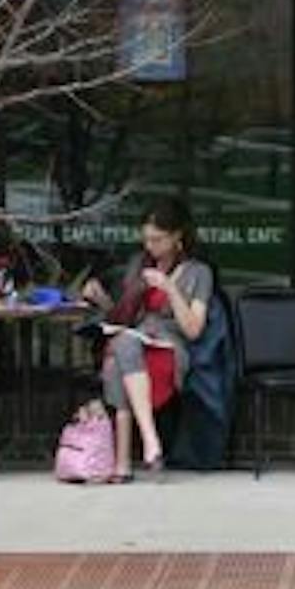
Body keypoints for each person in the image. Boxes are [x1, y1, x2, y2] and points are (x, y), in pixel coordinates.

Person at [81, 198, 213, 482]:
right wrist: (102, 300)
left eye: (157, 240)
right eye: (146, 239)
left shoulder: (199, 273)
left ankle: (126, 459)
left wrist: (170, 289)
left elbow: (193, 329)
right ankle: (148, 445)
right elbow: (123, 317)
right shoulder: (139, 265)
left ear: (177, 236)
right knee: (122, 347)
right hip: (135, 341)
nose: (150, 246)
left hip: (169, 348)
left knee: (120, 352)